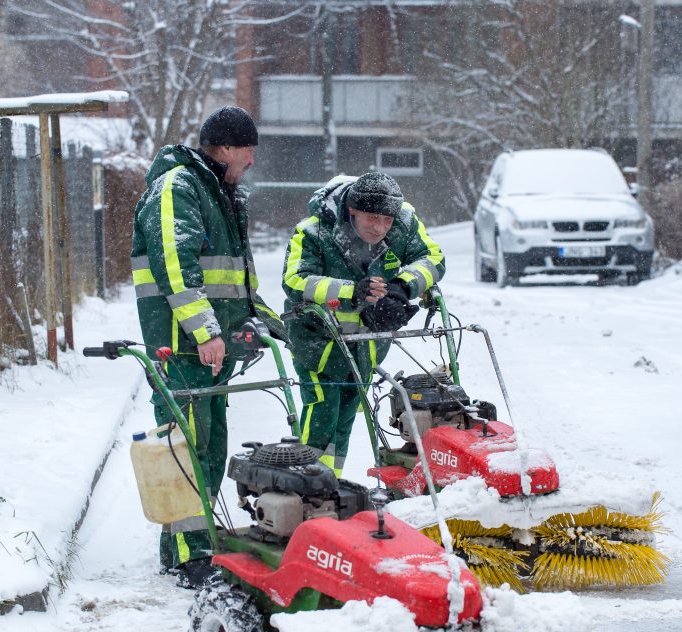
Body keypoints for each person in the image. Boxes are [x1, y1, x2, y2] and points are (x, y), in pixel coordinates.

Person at [130, 106, 285, 588]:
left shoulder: (221, 193)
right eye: (248, 151)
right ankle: (186, 554)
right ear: (224, 149)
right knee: (187, 448)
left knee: (211, 446)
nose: (252, 161)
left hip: (207, 348)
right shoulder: (178, 186)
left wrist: (269, 320)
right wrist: (205, 332)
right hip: (181, 348)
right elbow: (176, 265)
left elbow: (234, 279)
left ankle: (196, 543)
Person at [282, 172, 446, 476]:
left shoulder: (404, 224)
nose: (380, 228)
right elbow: (295, 280)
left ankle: (330, 489)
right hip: (319, 343)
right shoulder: (314, 231)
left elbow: (432, 259)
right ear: (353, 210)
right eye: (372, 218)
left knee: (345, 419)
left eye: (387, 220)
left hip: (366, 347)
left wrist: (401, 287)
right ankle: (306, 489)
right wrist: (350, 292)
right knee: (322, 414)